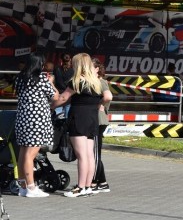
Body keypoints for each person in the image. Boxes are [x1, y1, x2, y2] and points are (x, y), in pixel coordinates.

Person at [52, 53, 112, 198]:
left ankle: (79, 187)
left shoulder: (77, 81)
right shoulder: (97, 82)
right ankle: (87, 186)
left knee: (81, 155)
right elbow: (107, 97)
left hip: (78, 118)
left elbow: (63, 98)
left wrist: (51, 107)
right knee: (89, 154)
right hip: (92, 119)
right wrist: (98, 105)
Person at [12, 53, 57, 197]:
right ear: (40, 65)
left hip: (23, 119)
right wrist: (51, 82)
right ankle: (31, 187)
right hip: (36, 121)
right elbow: (55, 96)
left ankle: (23, 186)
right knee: (30, 155)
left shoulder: (20, 78)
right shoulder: (41, 79)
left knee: (23, 153)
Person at [91, 59, 113, 193]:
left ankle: (94, 181)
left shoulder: (101, 81)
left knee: (94, 153)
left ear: (97, 69)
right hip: (97, 119)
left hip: (99, 120)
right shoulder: (94, 82)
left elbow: (108, 97)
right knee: (95, 152)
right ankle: (102, 181)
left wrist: (99, 104)